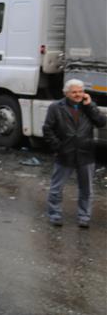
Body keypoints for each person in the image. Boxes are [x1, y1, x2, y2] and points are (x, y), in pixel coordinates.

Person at [42, 79, 106, 228]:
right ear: (66, 93)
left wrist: (89, 105)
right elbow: (48, 129)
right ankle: (55, 214)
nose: (78, 95)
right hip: (65, 154)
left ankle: (84, 217)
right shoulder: (56, 107)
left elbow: (101, 122)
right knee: (57, 187)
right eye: (74, 92)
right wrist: (58, 147)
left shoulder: (88, 106)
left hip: (86, 153)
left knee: (86, 189)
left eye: (80, 91)